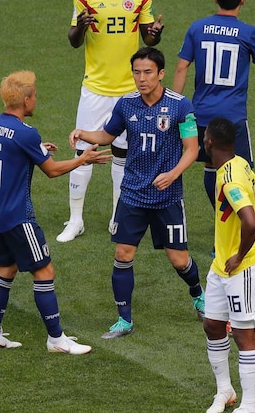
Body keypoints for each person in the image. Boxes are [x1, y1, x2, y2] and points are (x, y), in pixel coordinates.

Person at [69, 47, 204, 338]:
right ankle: (124, 320)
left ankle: (198, 295)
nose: (141, 79)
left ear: (161, 74)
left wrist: (172, 174)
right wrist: (82, 133)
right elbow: (107, 136)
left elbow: (192, 149)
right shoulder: (125, 104)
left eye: (147, 72)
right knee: (123, 253)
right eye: (136, 72)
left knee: (179, 260)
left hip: (167, 196)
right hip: (132, 193)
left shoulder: (181, 106)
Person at [0, 71, 111, 354]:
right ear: (25, 99)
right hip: (19, 216)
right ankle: (56, 339)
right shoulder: (26, 132)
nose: (36, 100)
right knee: (44, 271)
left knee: (6, 269)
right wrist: (83, 158)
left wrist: (33, 151)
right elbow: (52, 171)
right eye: (35, 96)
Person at [58, 0, 165, 243]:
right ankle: (75, 220)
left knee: (123, 155)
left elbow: (149, 39)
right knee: (83, 152)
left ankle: (118, 219)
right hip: (95, 89)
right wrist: (80, 26)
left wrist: (155, 34)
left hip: (129, 91)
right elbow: (74, 40)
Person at [172, 0, 255, 209]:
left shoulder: (197, 28)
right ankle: (232, 223)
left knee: (211, 166)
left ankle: (220, 216)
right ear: (243, 0)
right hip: (232, 118)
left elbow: (182, 67)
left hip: (200, 115)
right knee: (241, 170)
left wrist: (175, 104)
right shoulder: (248, 33)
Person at [200, 117, 255, 413]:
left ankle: (250, 407)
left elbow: (251, 222)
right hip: (222, 265)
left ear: (209, 142)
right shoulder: (240, 163)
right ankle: (225, 391)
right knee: (213, 325)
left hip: (243, 265)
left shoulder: (229, 178)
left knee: (243, 334)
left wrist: (240, 252)